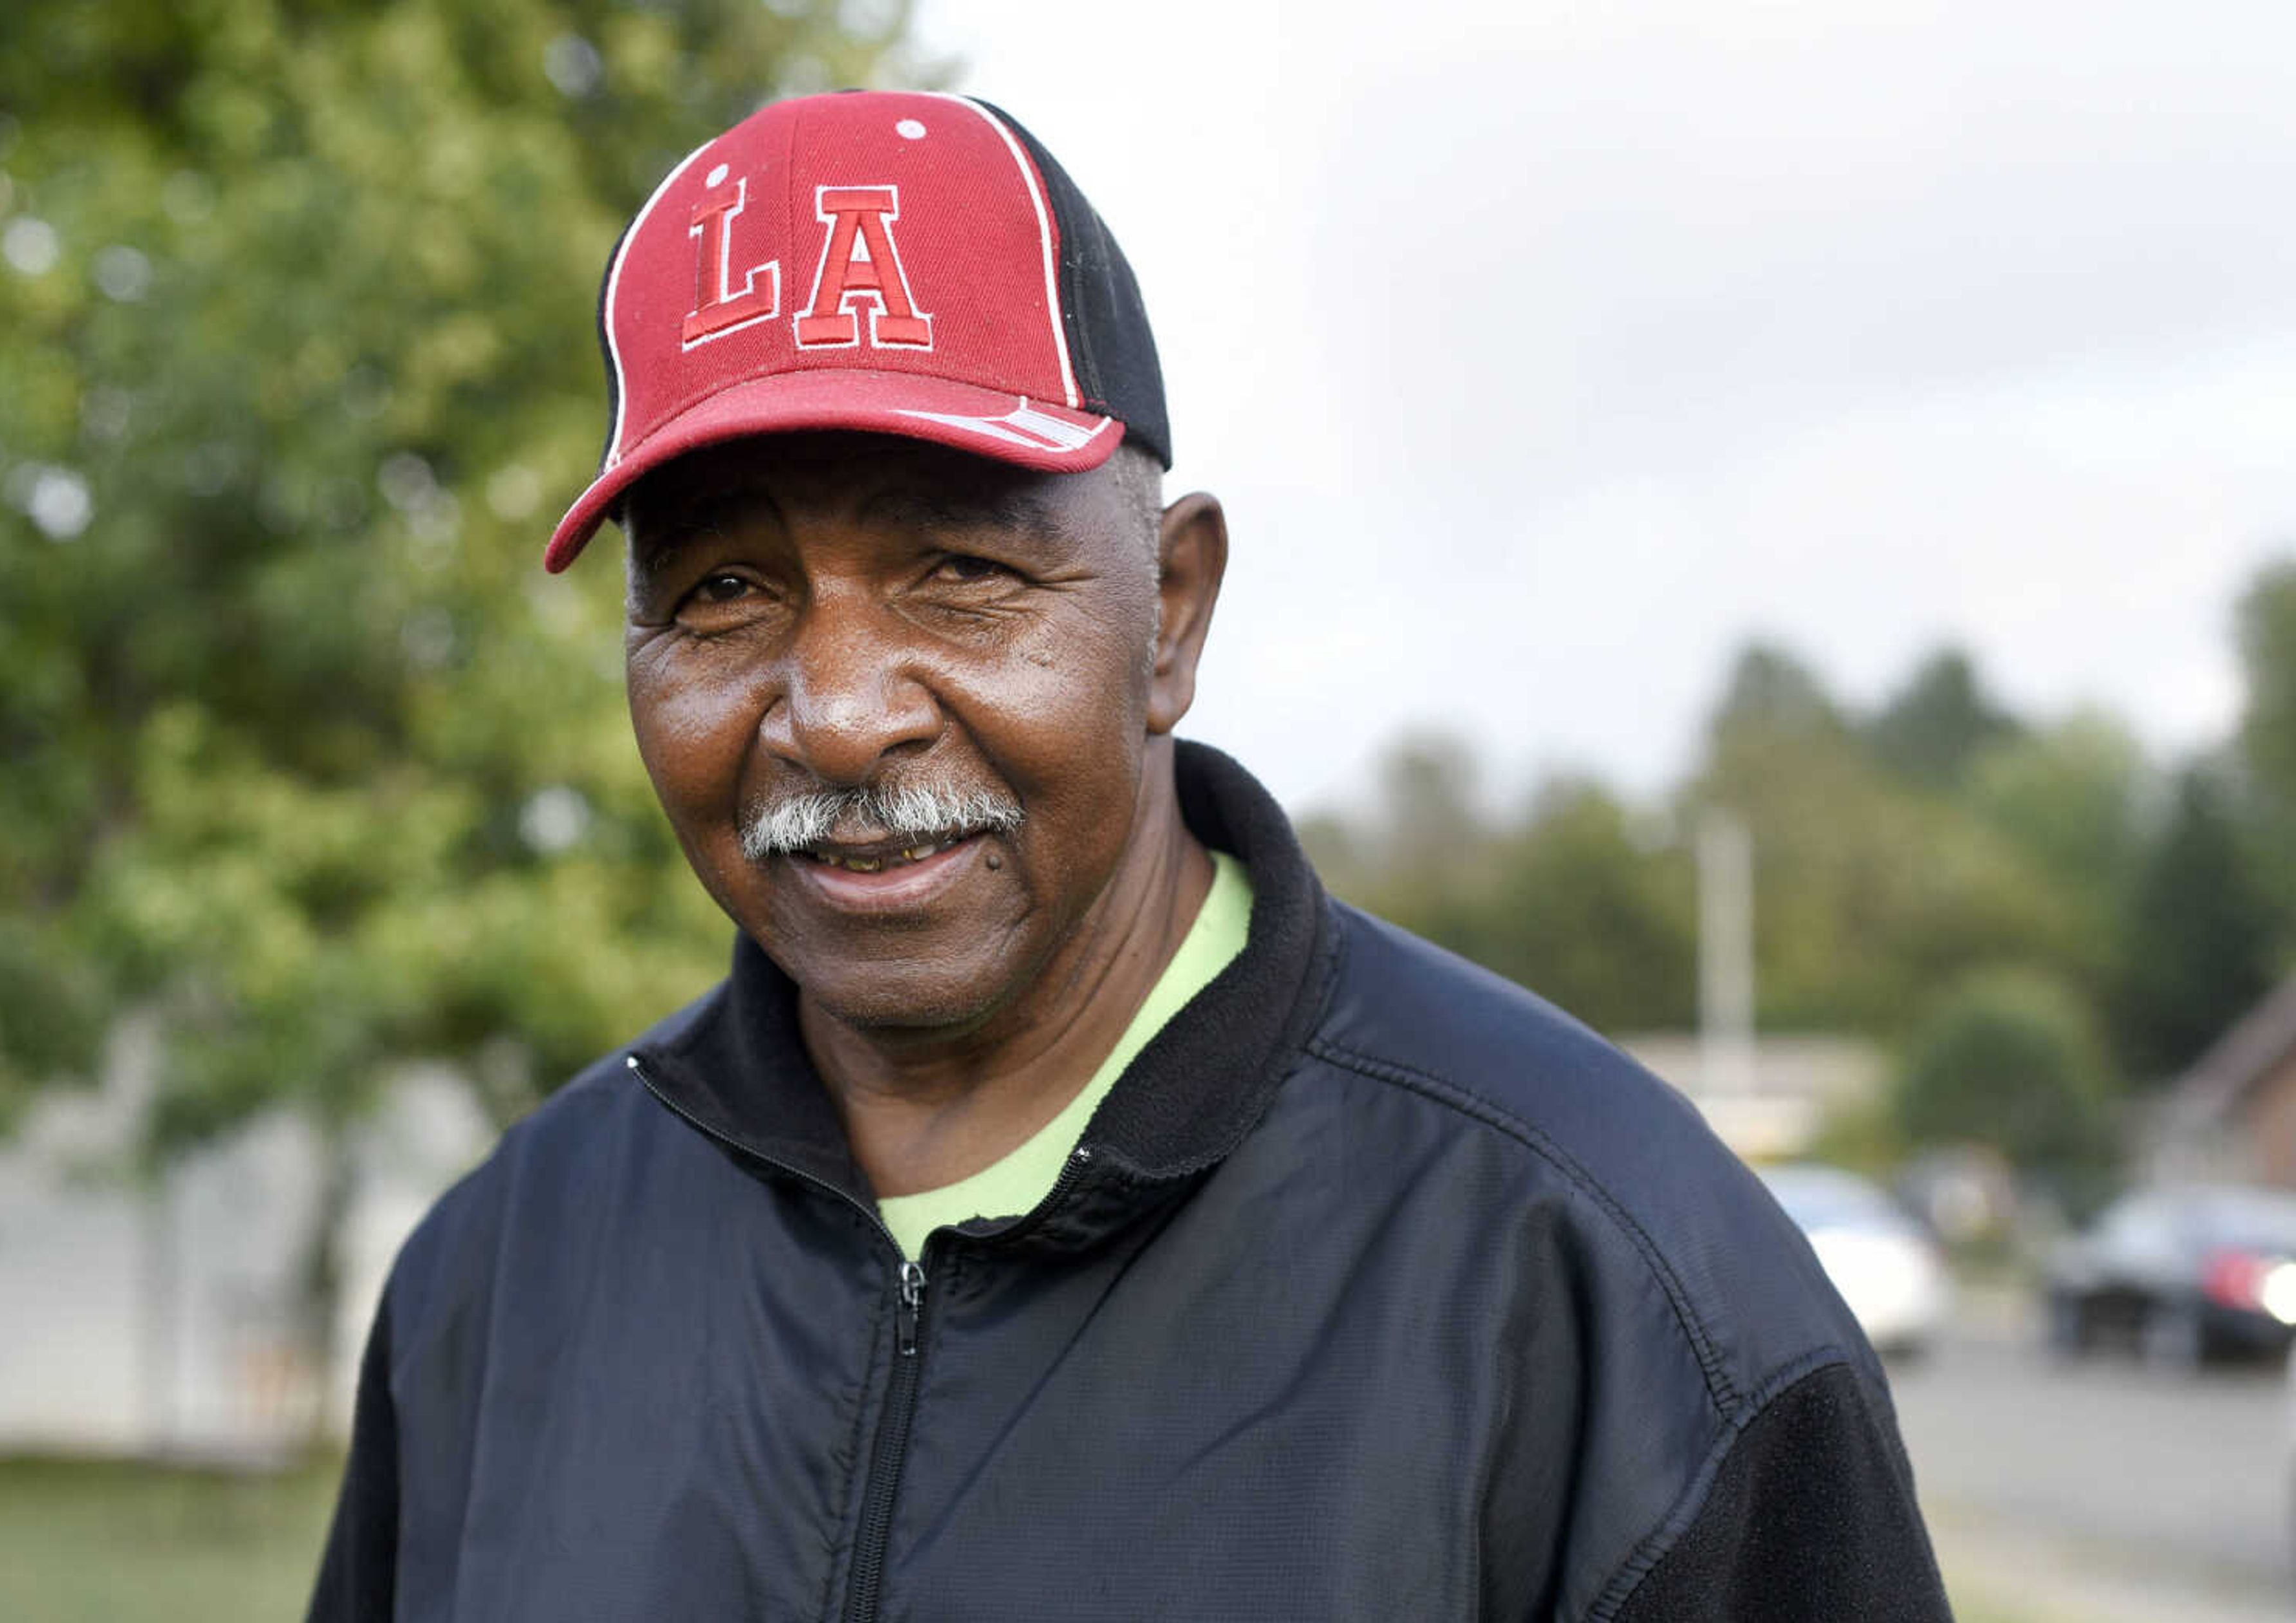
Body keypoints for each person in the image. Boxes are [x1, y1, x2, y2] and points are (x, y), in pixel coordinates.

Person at [307, 90, 1951, 1622]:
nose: (838, 712)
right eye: (724, 592)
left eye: (958, 571)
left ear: (1170, 613)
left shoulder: (1611, 1277)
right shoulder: (499, 1277)